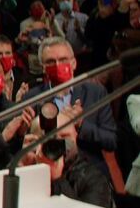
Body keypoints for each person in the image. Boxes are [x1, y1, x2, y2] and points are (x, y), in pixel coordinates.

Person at [27, 37, 117, 172]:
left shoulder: (95, 92)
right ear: (43, 68)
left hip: (90, 170)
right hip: (48, 169)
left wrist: (81, 125)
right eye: (50, 62)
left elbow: (111, 141)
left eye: (63, 60)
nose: (57, 65)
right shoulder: (32, 98)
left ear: (74, 63)